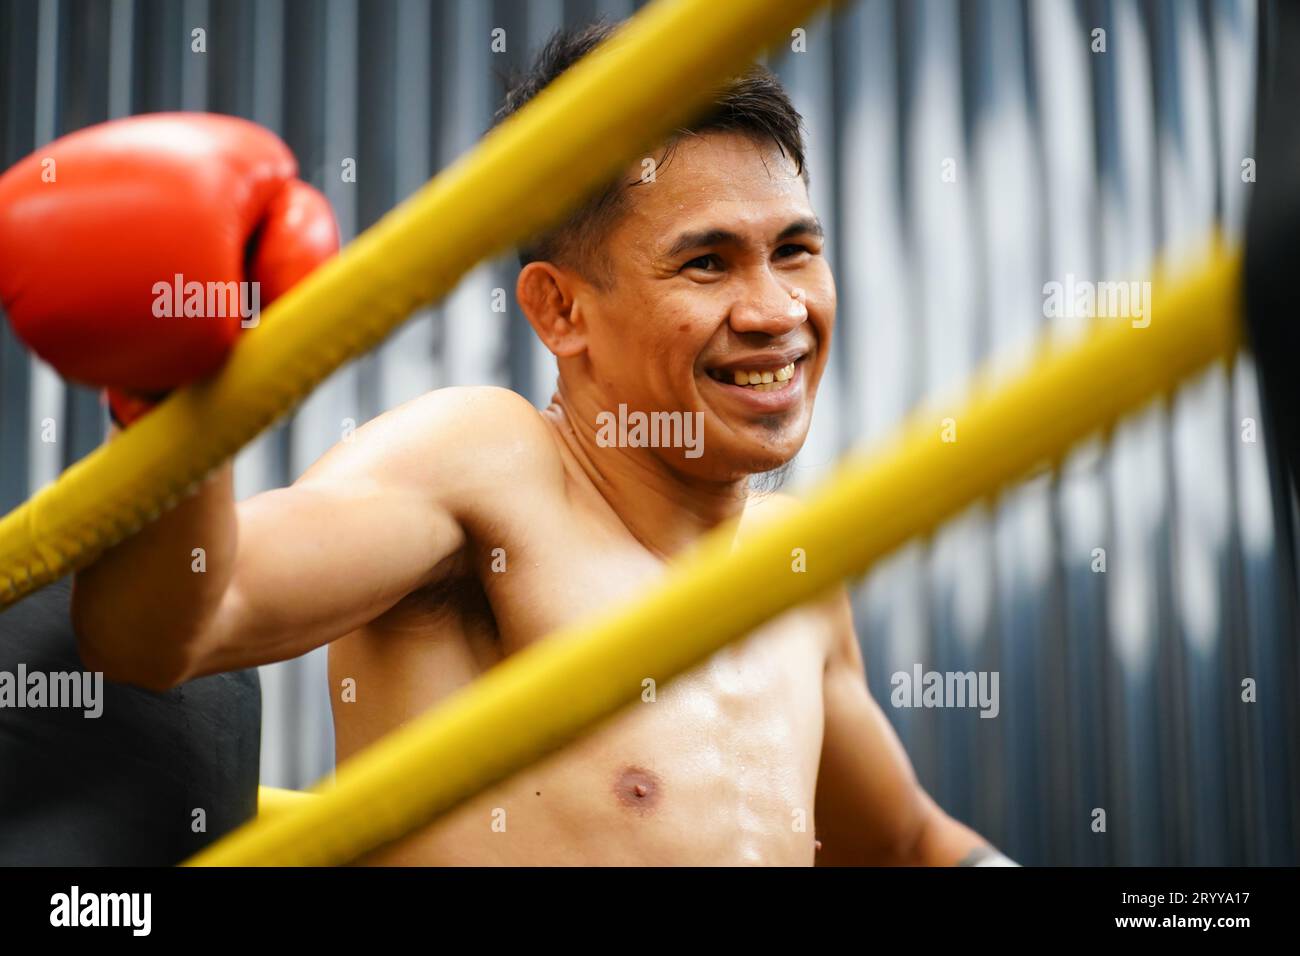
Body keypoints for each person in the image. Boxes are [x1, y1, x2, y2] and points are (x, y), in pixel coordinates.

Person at [0, 22, 1010, 866]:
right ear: (560, 308)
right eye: (706, 263)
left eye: (795, 248)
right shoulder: (489, 466)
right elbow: (163, 631)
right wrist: (174, 391)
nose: (775, 308)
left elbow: (913, 842)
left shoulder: (797, 573)